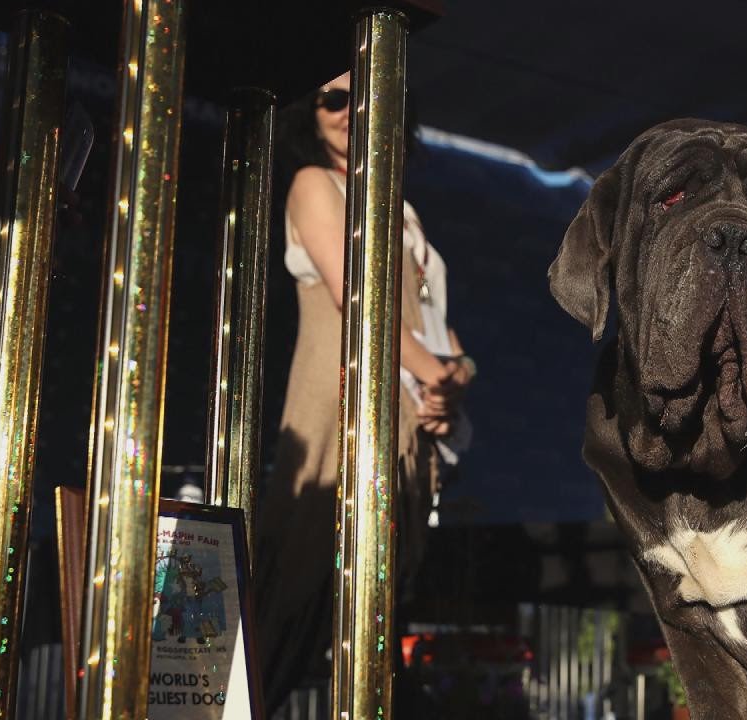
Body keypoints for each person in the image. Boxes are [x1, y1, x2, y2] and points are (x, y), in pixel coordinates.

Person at [252, 72, 474, 712]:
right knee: (302, 575)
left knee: (381, 586)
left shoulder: (401, 210)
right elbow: (360, 301)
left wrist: (455, 379)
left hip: (407, 409)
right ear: (309, 113)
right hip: (340, 397)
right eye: (333, 99)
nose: (351, 111)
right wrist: (436, 375)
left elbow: (437, 329)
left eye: (364, 96)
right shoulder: (313, 184)